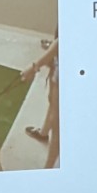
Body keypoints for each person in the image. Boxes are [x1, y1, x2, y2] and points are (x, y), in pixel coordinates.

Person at [21, 35, 59, 169]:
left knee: (58, 125)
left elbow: (63, 42)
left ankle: (48, 169)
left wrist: (34, 66)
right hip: (59, 61)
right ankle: (43, 133)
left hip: (68, 68)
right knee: (52, 100)